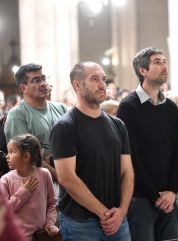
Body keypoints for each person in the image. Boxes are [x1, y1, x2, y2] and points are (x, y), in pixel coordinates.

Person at [50, 62, 134, 241]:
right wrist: (103, 213)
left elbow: (127, 171)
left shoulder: (118, 125)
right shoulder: (66, 126)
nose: (102, 84)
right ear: (77, 85)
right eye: (94, 79)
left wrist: (122, 211)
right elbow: (67, 178)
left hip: (118, 219)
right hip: (81, 223)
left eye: (103, 79)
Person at [117, 47, 178, 241]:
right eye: (157, 62)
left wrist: (171, 191)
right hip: (141, 198)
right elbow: (131, 157)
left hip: (169, 199)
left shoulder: (170, 107)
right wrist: (156, 195)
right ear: (142, 71)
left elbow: (176, 152)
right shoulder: (129, 106)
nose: (164, 66)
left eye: (164, 61)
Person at [4, 63, 68, 182]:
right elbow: (26, 158)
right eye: (36, 80)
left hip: (69, 175)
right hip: (38, 185)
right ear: (24, 88)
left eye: (43, 78)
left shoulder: (62, 108)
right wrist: (63, 179)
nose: (43, 83)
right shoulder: (17, 115)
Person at [0, 134, 58, 241]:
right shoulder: (5, 180)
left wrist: (50, 223)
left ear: (26, 156)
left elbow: (52, 203)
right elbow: (4, 211)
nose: (7, 156)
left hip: (42, 236)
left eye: (12, 152)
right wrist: (23, 192)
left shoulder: (44, 174)